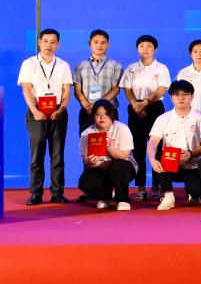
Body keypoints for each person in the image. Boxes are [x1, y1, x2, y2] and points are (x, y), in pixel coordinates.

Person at [19, 28, 74, 205]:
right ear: (39, 42)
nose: (48, 45)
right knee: (37, 155)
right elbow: (26, 89)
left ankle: (57, 193)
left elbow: (66, 90)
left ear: (58, 44)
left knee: (57, 155)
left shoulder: (63, 65)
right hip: (36, 110)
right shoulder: (29, 64)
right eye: (45, 41)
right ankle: (35, 193)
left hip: (58, 111)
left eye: (52, 42)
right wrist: (35, 111)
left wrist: (62, 109)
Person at [120, 34, 171, 201]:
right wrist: (136, 104)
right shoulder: (131, 68)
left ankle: (157, 186)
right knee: (138, 148)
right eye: (142, 46)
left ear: (154, 49)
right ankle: (141, 187)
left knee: (157, 147)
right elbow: (127, 89)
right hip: (135, 108)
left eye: (149, 46)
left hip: (155, 108)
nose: (145, 49)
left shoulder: (161, 68)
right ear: (137, 49)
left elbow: (162, 89)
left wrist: (146, 103)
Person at [146, 80, 201, 211]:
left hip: (193, 165)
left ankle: (194, 193)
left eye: (185, 94)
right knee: (160, 154)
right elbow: (152, 142)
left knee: (196, 190)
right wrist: (151, 159)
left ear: (192, 96)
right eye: (176, 94)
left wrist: (191, 154)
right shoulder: (163, 119)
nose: (181, 98)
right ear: (171, 97)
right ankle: (168, 195)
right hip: (171, 165)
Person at [77, 99, 136, 210]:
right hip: (100, 167)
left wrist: (108, 146)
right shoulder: (86, 134)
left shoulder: (122, 128)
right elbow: (85, 163)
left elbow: (124, 156)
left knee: (120, 165)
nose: (102, 117)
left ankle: (122, 199)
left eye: (106, 114)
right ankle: (106, 196)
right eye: (98, 114)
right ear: (93, 116)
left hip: (123, 168)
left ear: (112, 115)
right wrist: (90, 162)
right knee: (85, 181)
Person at [72, 29, 123, 134]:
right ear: (89, 43)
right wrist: (87, 106)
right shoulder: (80, 66)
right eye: (96, 42)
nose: (99, 45)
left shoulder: (116, 66)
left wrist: (98, 105)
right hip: (87, 111)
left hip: (109, 111)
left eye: (103, 42)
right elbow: (77, 90)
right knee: (87, 142)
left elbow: (116, 89)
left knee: (110, 142)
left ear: (108, 44)